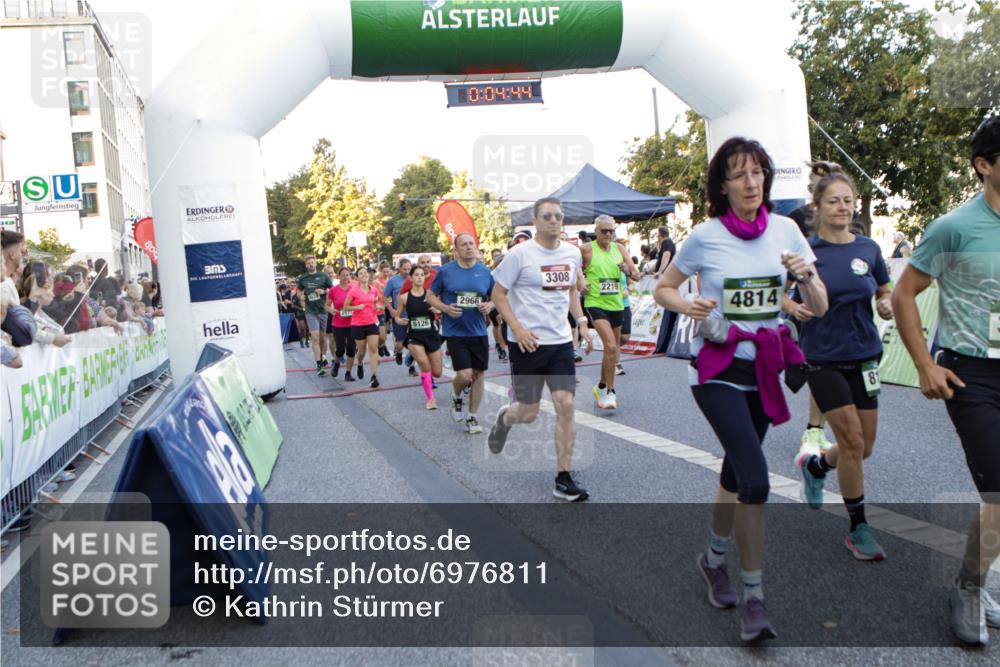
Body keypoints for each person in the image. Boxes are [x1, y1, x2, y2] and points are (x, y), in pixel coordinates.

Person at [653, 137, 828, 641]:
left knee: (734, 470)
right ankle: (755, 599)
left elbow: (817, 304)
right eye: (739, 174)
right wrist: (685, 305)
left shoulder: (787, 230)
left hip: (764, 369)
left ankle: (712, 560)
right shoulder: (704, 237)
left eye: (758, 173)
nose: (751, 183)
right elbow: (663, 288)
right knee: (755, 480)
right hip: (716, 370)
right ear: (722, 186)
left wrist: (805, 278)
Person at [892, 114, 1000, 645]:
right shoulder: (953, 227)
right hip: (973, 374)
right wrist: (924, 365)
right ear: (985, 165)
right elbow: (903, 294)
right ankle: (969, 587)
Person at [789, 166, 893, 561]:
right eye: (833, 201)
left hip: (865, 354)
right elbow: (776, 293)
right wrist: (793, 306)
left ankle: (817, 467)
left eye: (848, 200)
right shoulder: (805, 253)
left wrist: (885, 301)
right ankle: (858, 528)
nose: (843, 207)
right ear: (817, 207)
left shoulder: (868, 249)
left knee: (862, 447)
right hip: (823, 357)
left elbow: (884, 287)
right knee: (850, 440)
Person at [489, 198, 594, 500]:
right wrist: (518, 329)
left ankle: (563, 478)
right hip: (527, 344)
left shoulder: (572, 253)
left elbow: (572, 289)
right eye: (547, 216)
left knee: (566, 405)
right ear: (535, 221)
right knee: (529, 412)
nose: (554, 221)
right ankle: (505, 419)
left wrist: (582, 323)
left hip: (560, 342)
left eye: (558, 216)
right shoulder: (519, 255)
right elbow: (498, 295)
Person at [426, 235, 495, 434]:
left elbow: (497, 297)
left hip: (479, 331)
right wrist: (445, 309)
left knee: (479, 374)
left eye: (471, 243)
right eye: (463, 244)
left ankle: (472, 417)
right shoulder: (445, 272)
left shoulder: (485, 272)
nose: (468, 247)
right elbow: (430, 296)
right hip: (455, 332)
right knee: (465, 375)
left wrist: (489, 305)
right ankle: (456, 396)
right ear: (455, 250)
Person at [581, 215, 640, 409]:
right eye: (604, 231)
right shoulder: (587, 250)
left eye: (611, 231)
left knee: (611, 350)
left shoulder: (620, 249)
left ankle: (601, 387)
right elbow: (571, 268)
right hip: (595, 302)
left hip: (616, 304)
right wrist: (581, 282)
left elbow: (637, 276)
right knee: (611, 346)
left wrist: (628, 270)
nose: (608, 234)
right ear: (596, 231)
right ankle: (610, 393)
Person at [396, 265, 444, 409]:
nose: (419, 277)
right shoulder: (403, 297)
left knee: (437, 373)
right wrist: (400, 321)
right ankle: (430, 400)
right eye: (416, 275)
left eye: (422, 275)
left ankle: (413, 357)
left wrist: (438, 310)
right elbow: (397, 316)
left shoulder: (431, 296)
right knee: (424, 364)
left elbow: (442, 310)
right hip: (414, 336)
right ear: (410, 278)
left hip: (431, 334)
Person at [344, 267, 383, 388]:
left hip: (372, 322)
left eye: (365, 273)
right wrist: (356, 307)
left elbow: (378, 303)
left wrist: (378, 307)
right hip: (358, 324)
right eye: (361, 273)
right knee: (361, 351)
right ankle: (360, 362)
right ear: (357, 277)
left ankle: (374, 377)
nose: (364, 275)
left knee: (373, 349)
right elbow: (345, 307)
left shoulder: (374, 290)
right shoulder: (354, 291)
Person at [18, 262, 72, 348]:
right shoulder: (20, 305)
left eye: (51, 279)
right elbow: (25, 328)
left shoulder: (37, 309)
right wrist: (52, 338)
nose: (50, 283)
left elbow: (59, 331)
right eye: (47, 278)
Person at [297, 256, 333, 375]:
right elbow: (299, 291)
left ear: (315, 263)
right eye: (308, 263)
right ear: (306, 265)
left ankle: (322, 356)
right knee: (315, 336)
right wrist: (300, 297)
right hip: (310, 311)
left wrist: (324, 291)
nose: (311, 265)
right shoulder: (303, 278)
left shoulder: (324, 276)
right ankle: (318, 364)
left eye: (312, 262)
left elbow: (332, 290)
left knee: (323, 338)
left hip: (322, 310)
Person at [325, 266, 358, 381]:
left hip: (352, 323)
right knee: (340, 349)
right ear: (338, 277)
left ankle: (348, 373)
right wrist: (331, 311)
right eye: (343, 275)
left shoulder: (354, 289)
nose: (345, 277)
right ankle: (337, 364)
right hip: (338, 324)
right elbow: (327, 305)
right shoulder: (333, 290)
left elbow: (359, 302)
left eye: (347, 275)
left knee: (351, 348)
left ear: (350, 276)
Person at [384, 259, 411, 365]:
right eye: (405, 269)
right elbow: (385, 297)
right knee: (400, 343)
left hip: (413, 314)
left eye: (409, 269)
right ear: (399, 269)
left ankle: (412, 366)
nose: (407, 271)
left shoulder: (414, 279)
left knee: (415, 342)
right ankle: (398, 351)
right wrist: (391, 310)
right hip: (400, 314)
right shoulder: (393, 281)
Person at [375, 261, 392, 359]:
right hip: (381, 307)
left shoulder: (391, 280)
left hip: (389, 306)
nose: (386, 273)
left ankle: (382, 345)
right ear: (381, 271)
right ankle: (381, 345)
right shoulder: (377, 282)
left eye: (387, 271)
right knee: (381, 331)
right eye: (384, 272)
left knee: (386, 330)